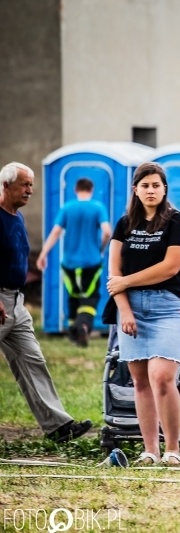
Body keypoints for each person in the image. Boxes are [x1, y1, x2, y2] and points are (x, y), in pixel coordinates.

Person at [105, 162, 180, 465]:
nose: (151, 190)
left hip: (169, 306)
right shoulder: (124, 223)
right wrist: (125, 310)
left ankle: (172, 450)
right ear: (135, 189)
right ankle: (150, 451)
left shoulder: (177, 222)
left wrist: (126, 282)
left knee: (162, 376)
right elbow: (113, 272)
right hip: (130, 309)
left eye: (156, 185)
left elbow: (170, 267)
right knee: (140, 381)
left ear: (164, 188)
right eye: (145, 186)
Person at [0, 162, 92, 443]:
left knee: (33, 360)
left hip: (15, 302)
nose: (30, 190)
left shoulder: (17, 216)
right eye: (25, 184)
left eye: (31, 184)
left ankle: (58, 426)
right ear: (6, 185)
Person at [36, 178, 111, 347]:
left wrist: (43, 254)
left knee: (73, 296)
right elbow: (107, 231)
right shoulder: (98, 207)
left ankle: (73, 332)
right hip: (92, 262)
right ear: (91, 190)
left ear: (76, 190)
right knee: (90, 297)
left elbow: (55, 232)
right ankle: (83, 325)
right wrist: (100, 248)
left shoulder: (67, 208)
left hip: (69, 263)